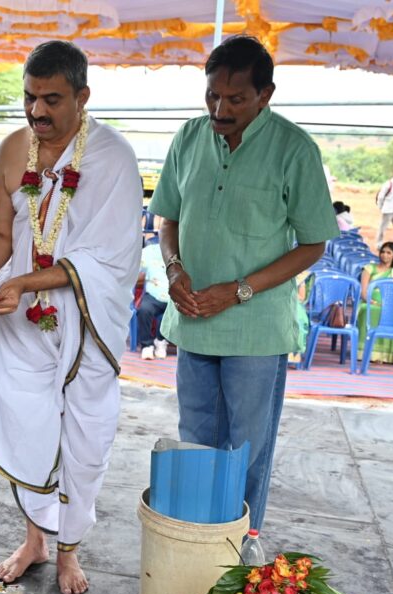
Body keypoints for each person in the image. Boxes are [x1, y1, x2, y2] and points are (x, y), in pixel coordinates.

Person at [0, 40, 142, 594]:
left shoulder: (112, 159)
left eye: (51, 100)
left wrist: (22, 282)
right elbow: (3, 234)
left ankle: (69, 550)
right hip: (20, 318)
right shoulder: (12, 149)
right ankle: (36, 539)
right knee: (31, 428)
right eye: (28, 97)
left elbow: (106, 258)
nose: (36, 112)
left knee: (83, 437)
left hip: (85, 322)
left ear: (82, 97)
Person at [148, 35, 336, 532]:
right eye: (212, 95)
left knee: (245, 451)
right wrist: (173, 268)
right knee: (195, 444)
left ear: (265, 95)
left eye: (235, 99)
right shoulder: (189, 138)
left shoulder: (294, 149)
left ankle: (241, 555)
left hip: (255, 330)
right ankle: (194, 549)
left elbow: (313, 243)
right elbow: (167, 219)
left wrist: (238, 290)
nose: (219, 108)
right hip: (193, 322)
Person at [137, 241, 170, 360]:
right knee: (144, 309)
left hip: (173, 296)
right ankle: (147, 345)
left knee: (176, 311)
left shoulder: (181, 251)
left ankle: (161, 341)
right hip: (153, 294)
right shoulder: (150, 251)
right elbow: (136, 266)